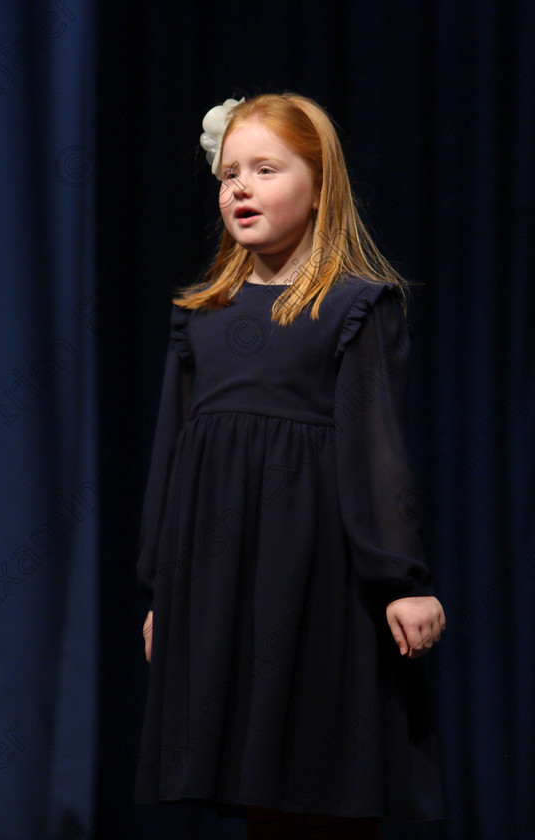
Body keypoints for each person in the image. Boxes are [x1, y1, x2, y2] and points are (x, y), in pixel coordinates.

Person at [134, 93, 446, 839]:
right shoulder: (201, 317)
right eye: (229, 172)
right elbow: (169, 461)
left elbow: (376, 449)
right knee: (257, 777)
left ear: (318, 186)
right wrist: (158, 592)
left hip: (315, 580)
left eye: (265, 169)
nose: (240, 187)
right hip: (221, 583)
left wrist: (400, 580)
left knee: (319, 778)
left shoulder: (354, 308)